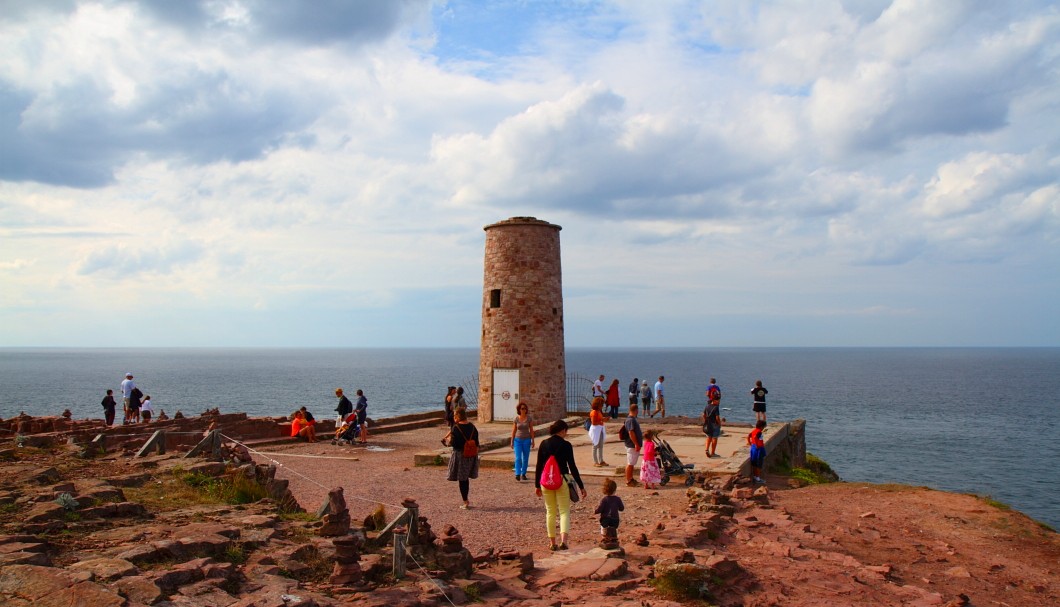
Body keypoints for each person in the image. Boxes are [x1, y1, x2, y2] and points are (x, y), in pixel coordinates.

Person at [534, 419, 586, 551]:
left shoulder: (544, 444)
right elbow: (572, 467)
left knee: (550, 512)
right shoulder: (566, 445)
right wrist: (581, 486)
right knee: (564, 511)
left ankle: (552, 543)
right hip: (562, 480)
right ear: (562, 430)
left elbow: (539, 466)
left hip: (546, 481)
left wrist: (537, 485)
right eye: (566, 431)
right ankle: (564, 541)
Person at [447, 408, 479, 509]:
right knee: (465, 479)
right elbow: (477, 442)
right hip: (471, 455)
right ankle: (466, 500)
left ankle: (465, 501)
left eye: (455, 416)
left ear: (458, 416)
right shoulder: (472, 427)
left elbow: (454, 444)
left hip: (460, 455)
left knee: (462, 479)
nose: (454, 418)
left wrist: (448, 440)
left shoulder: (456, 428)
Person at [510, 402, 535, 481]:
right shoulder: (516, 419)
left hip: (527, 440)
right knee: (518, 458)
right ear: (519, 410)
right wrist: (512, 441)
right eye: (522, 408)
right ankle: (517, 473)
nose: (523, 410)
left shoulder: (529, 418)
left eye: (524, 408)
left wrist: (533, 440)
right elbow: (513, 430)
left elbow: (531, 430)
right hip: (517, 440)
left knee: (525, 458)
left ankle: (523, 473)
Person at [594, 478, 624, 542]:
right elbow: (622, 508)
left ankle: (605, 538)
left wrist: (595, 511)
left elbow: (600, 509)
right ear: (615, 490)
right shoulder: (618, 499)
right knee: (614, 530)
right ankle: (613, 538)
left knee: (604, 529)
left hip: (605, 520)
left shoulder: (604, 499)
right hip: (615, 520)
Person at [622, 403, 643, 487]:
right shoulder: (630, 420)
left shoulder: (631, 419)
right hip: (631, 445)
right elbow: (631, 432)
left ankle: (631, 478)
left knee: (632, 463)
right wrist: (636, 444)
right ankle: (628, 480)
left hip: (632, 445)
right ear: (636, 411)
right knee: (630, 463)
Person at [588, 397, 608, 467]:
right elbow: (593, 422)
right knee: (595, 446)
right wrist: (601, 421)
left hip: (600, 429)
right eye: (601, 405)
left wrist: (604, 419)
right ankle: (595, 462)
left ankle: (601, 460)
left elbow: (600, 419)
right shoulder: (594, 412)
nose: (602, 406)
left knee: (600, 446)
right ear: (597, 405)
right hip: (596, 430)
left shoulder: (599, 411)